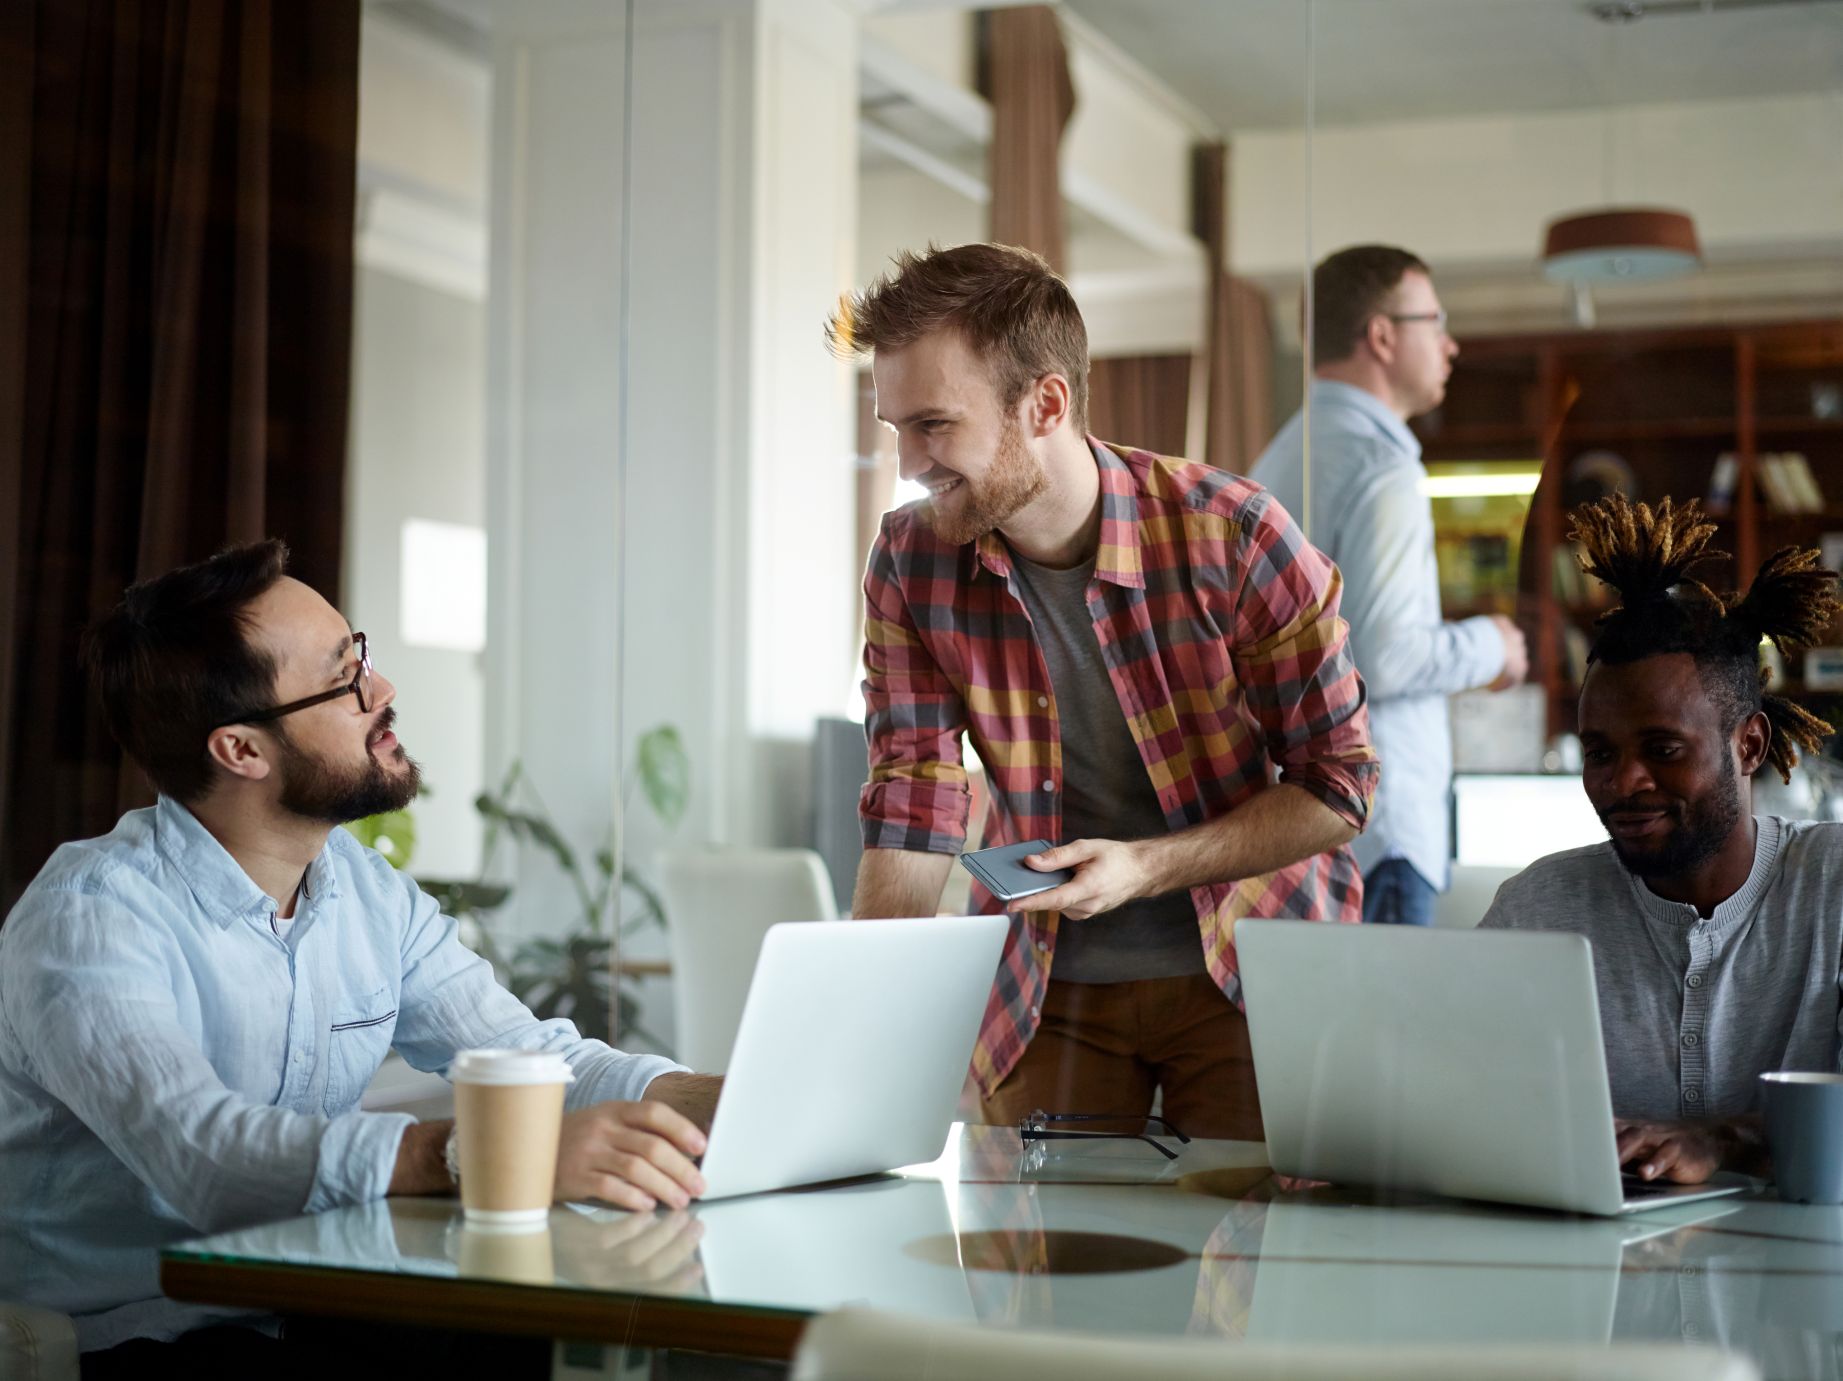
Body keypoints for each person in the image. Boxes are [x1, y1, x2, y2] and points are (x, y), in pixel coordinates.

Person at [0, 540, 721, 1369]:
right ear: (241, 750)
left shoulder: (367, 894)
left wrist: (710, 1100)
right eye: (344, 678)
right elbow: (207, 1156)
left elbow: (538, 1059)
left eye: (362, 655)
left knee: (543, 1344)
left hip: (309, 1303)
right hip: (133, 1333)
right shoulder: (89, 917)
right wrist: (480, 1156)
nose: (380, 690)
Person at [830, 242, 1378, 1141]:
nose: (910, 463)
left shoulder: (1232, 536)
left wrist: (1144, 866)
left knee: (1254, 1263)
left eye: (932, 425)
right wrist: (861, 1028)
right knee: (1041, 1275)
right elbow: (914, 804)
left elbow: (1339, 786)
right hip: (1047, 984)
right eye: (895, 429)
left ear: (1044, 403)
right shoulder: (909, 557)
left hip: (1248, 968)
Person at [1482, 493, 1842, 1185]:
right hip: (1602, 1281)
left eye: (1661, 748)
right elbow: (1448, 1094)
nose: (1624, 781)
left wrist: (1722, 1141)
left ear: (1748, 744)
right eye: (1599, 752)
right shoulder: (1535, 909)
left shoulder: (1830, 887)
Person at [1251, 245, 1529, 926]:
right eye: (1433, 321)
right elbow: (1388, 656)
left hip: (1300, 819)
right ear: (1381, 335)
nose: (1450, 344)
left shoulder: (1279, 455)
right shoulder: (1382, 466)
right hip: (1381, 827)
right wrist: (1493, 647)